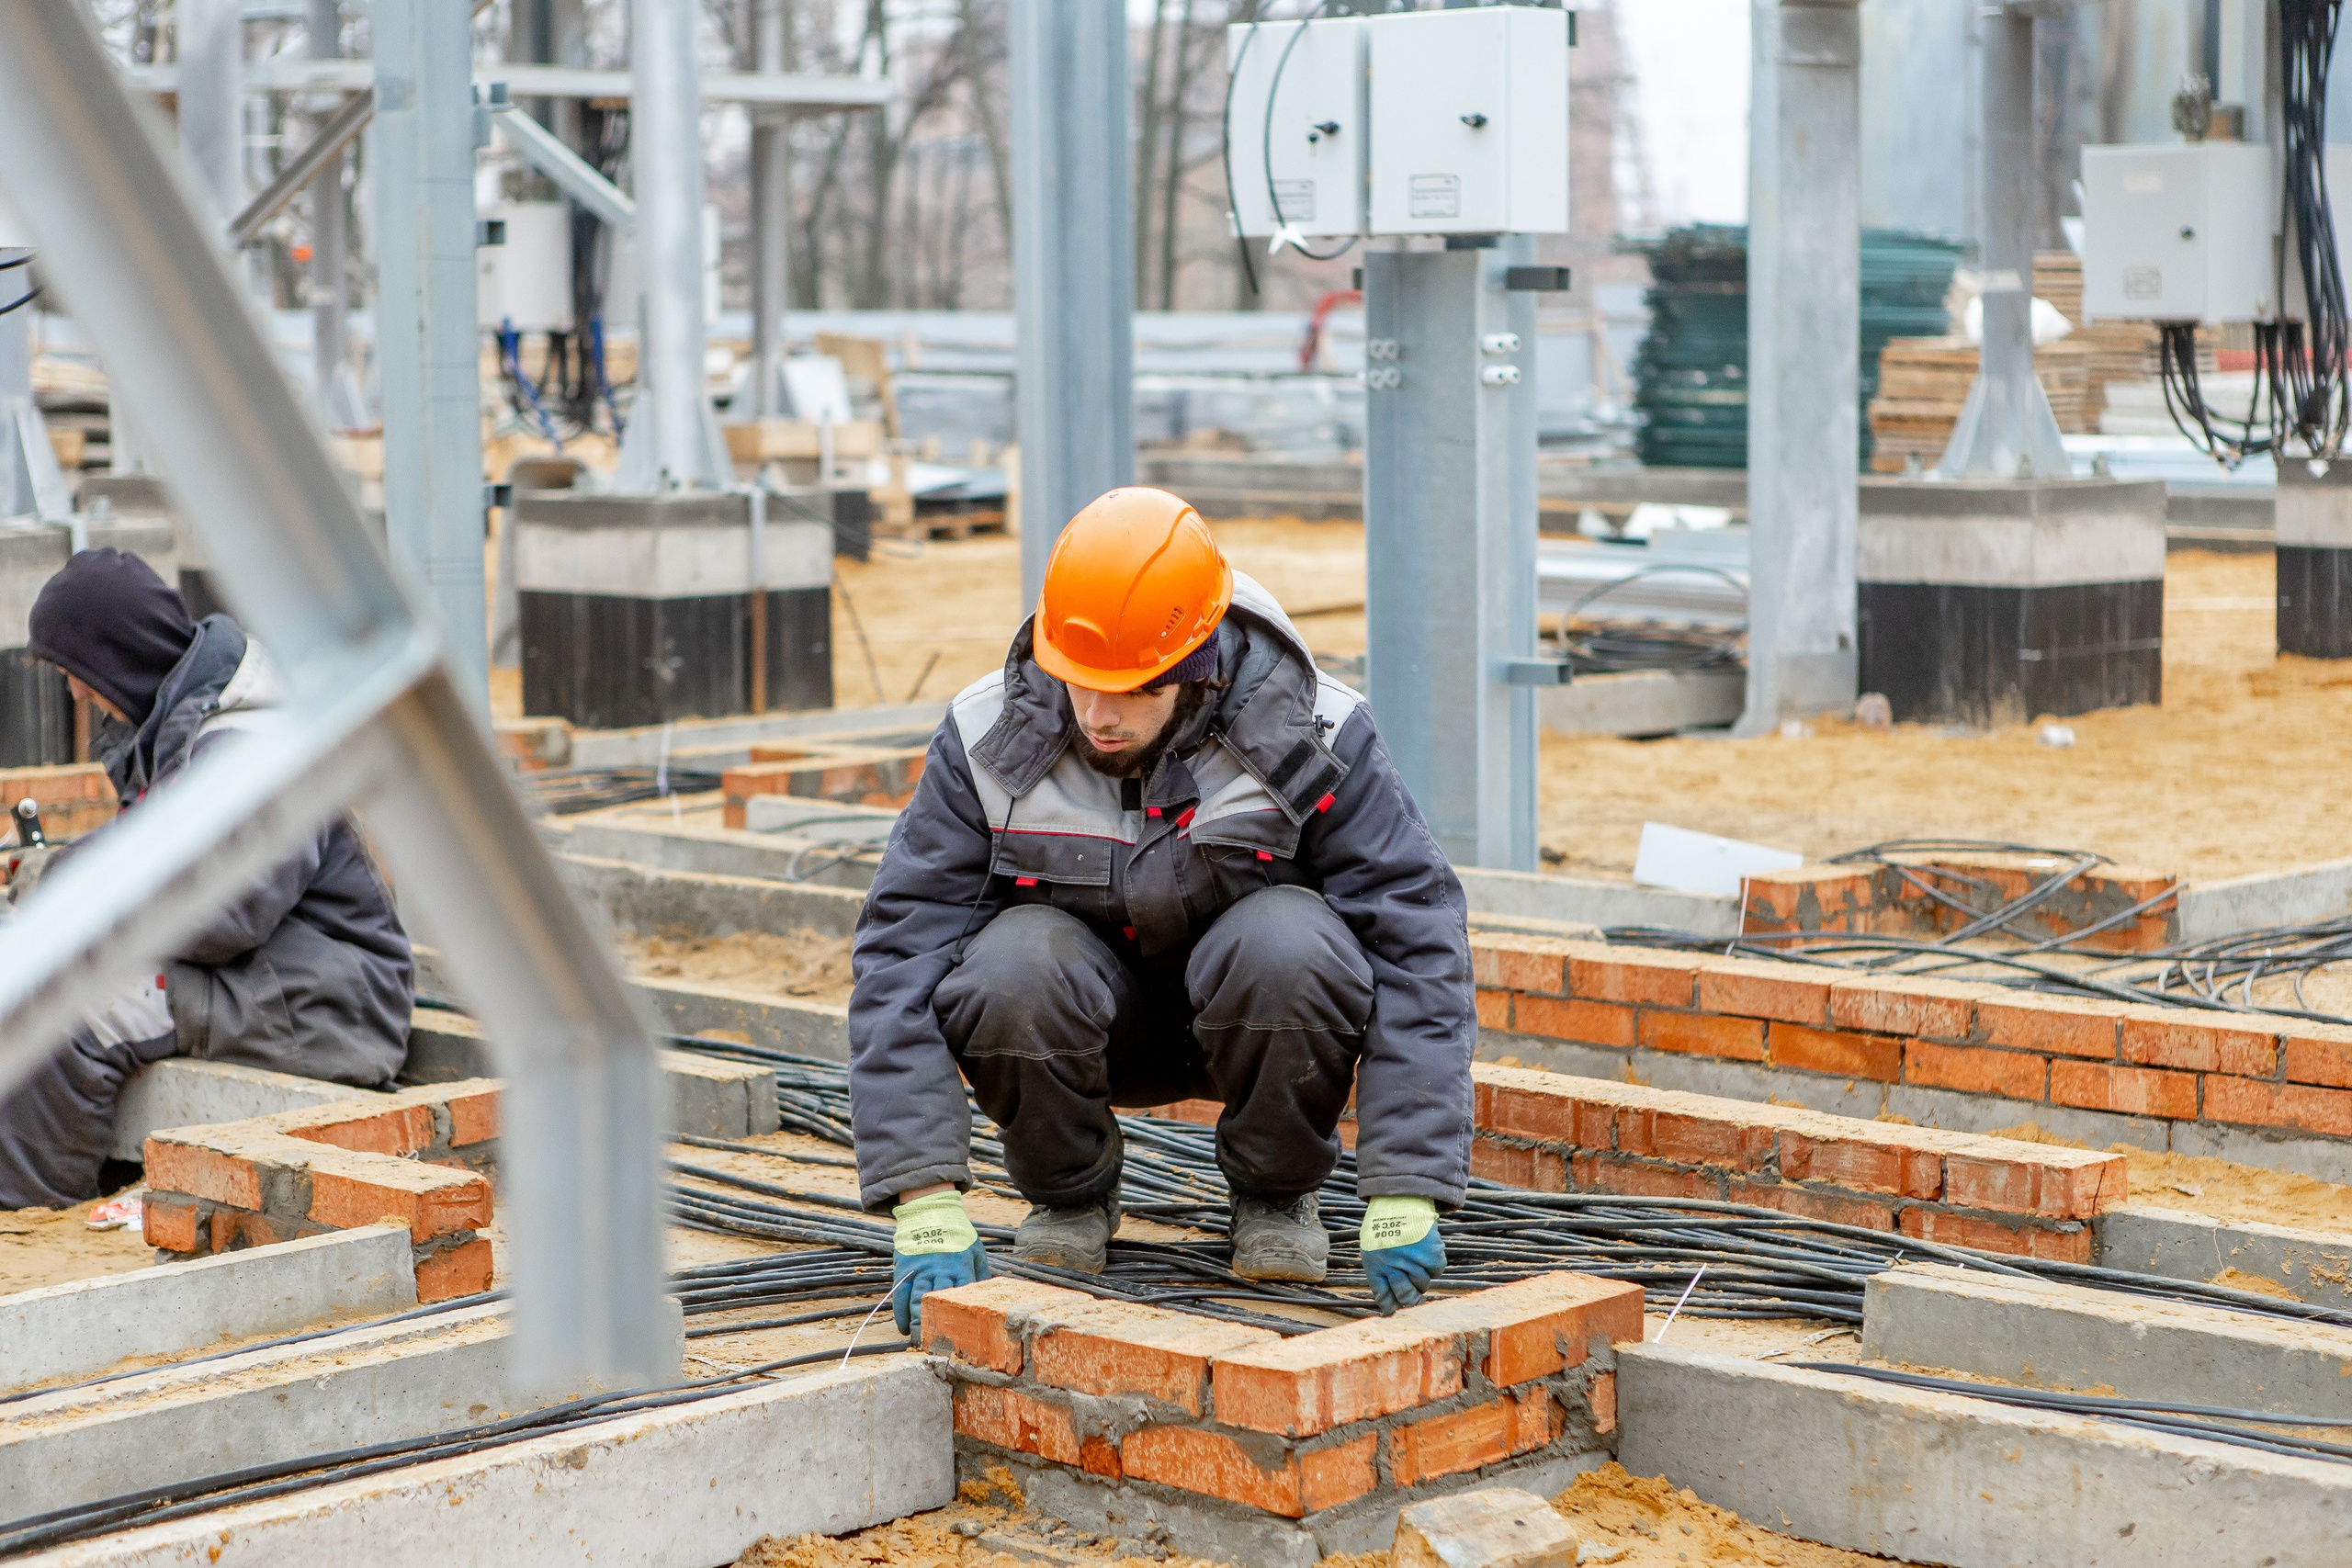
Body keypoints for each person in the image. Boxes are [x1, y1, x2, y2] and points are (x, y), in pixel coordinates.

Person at [848, 488, 1473, 1334]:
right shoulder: (987, 740)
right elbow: (901, 952)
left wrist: (1407, 1178)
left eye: (1135, 689)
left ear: (1198, 660)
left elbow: (1415, 939)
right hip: (1080, 1020)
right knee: (1010, 964)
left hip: (1260, 1015)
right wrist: (921, 1191)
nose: (1099, 716)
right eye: (1079, 683)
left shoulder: (1316, 732)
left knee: (1292, 943)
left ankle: (1275, 1192)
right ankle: (1070, 1193)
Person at [0, 548, 413, 1209]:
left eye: (75, 673)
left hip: (324, 1006)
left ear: (117, 656)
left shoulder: (252, 742)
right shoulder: (191, 726)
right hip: (265, 982)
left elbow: (222, 916)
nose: (74, 693)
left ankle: (27, 1216)